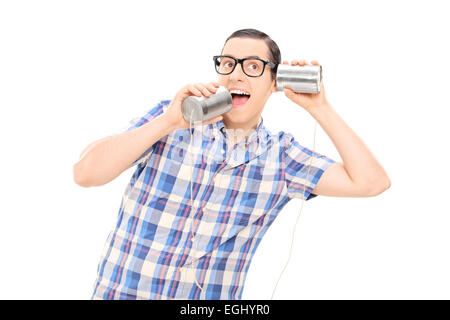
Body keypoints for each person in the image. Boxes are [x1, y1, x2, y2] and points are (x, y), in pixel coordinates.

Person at [73, 28, 391, 300]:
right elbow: (85, 173)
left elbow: (371, 182)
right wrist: (168, 122)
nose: (236, 73)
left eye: (252, 66)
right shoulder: (170, 117)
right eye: (227, 63)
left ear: (274, 82)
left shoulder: (282, 157)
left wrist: (321, 108)